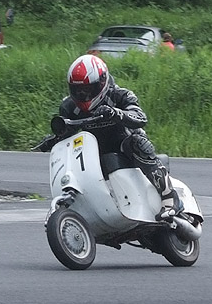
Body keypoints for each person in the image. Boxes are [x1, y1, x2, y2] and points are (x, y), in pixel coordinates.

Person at [35, 54, 183, 220]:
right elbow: (67, 131)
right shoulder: (69, 106)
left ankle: (169, 197)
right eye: (78, 90)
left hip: (124, 146)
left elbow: (140, 117)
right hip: (94, 152)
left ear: (102, 82)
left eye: (88, 89)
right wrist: (54, 139)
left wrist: (117, 113)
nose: (83, 94)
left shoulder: (120, 95)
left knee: (137, 143)